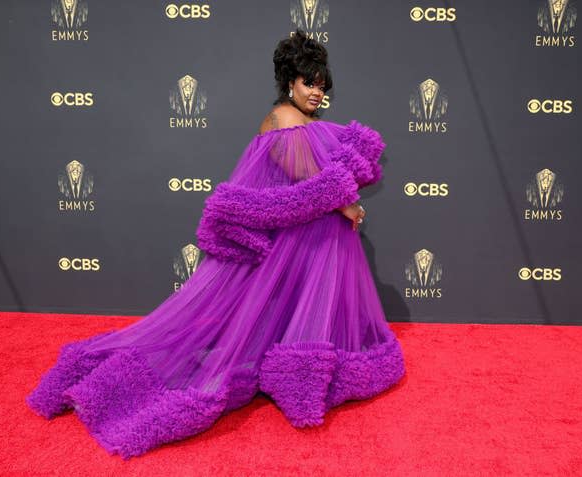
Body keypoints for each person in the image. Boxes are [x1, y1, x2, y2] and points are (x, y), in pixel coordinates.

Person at [26, 28, 406, 460]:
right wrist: (346, 206)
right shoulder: (283, 119)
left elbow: (312, 180)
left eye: (321, 84)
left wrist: (340, 202)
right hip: (298, 242)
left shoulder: (308, 123)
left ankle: (296, 371)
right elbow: (303, 179)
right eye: (308, 83)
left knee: (293, 312)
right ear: (289, 83)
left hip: (309, 243)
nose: (316, 92)